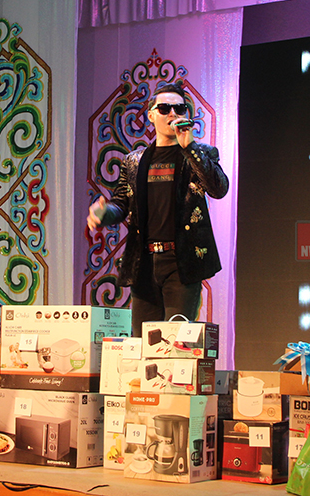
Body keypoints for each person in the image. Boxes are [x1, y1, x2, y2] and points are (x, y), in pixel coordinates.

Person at [87, 80, 229, 336]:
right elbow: (121, 204)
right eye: (164, 108)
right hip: (144, 261)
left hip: (181, 262)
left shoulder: (201, 153)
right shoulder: (134, 160)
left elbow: (218, 189)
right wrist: (103, 214)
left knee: (175, 342)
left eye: (179, 109)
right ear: (151, 115)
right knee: (144, 341)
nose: (172, 114)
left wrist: (190, 148)